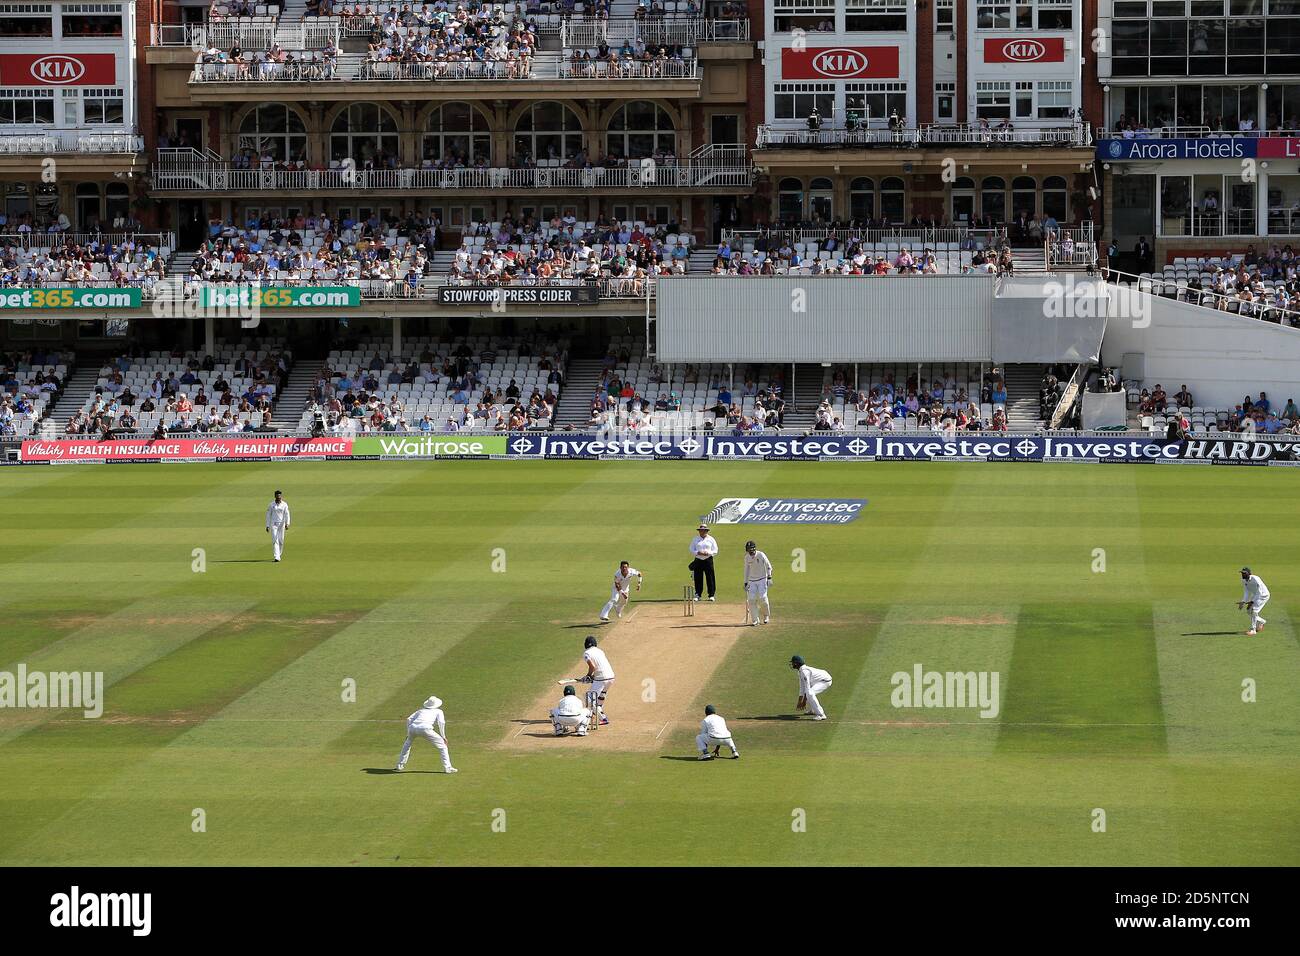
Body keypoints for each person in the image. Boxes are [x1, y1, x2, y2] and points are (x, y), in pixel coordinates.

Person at [394, 695, 457, 773]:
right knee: (443, 746)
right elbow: (441, 723)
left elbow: (409, 719)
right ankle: (447, 768)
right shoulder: (438, 711)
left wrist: (408, 733)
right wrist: (443, 737)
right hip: (425, 729)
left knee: (407, 745)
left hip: (412, 728)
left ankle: (399, 765)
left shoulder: (421, 711)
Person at [582, 635, 615, 726]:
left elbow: (592, 666)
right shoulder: (600, 651)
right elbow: (600, 666)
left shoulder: (587, 653)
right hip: (611, 677)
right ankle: (594, 713)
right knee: (601, 696)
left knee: (589, 698)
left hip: (601, 678)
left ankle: (603, 718)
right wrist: (592, 676)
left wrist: (588, 675)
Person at [791, 654, 832, 720]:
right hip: (817, 680)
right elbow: (802, 687)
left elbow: (807, 688)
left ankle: (821, 715)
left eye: (793, 662)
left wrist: (804, 702)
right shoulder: (800, 672)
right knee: (808, 693)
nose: (792, 664)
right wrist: (799, 701)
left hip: (825, 681)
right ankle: (813, 710)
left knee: (810, 693)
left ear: (797, 663)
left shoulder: (804, 672)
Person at [743, 539, 773, 625]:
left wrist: (769, 577)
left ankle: (766, 615)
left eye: (751, 550)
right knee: (751, 599)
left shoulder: (761, 555)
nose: (750, 552)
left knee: (763, 598)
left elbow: (769, 566)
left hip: (762, 579)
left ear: (754, 549)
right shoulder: (747, 557)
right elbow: (746, 570)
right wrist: (745, 582)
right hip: (752, 581)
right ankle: (755, 620)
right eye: (748, 550)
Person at [689, 522, 719, 602]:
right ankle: (698, 594)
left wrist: (708, 553)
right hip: (698, 559)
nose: (702, 532)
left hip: (708, 559)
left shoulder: (711, 539)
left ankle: (711, 595)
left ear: (706, 531)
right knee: (698, 577)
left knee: (710, 577)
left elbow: (715, 550)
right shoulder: (695, 539)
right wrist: (697, 552)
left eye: (704, 530)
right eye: (701, 530)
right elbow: (691, 549)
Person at [1237, 566, 1270, 636]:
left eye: (1244, 573)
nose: (1242, 575)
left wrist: (1252, 601)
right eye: (1242, 573)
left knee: (1254, 611)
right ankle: (1262, 622)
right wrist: (1243, 601)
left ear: (1249, 573)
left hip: (1263, 595)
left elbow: (1260, 592)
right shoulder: (1243, 580)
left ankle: (1253, 630)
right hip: (1256, 595)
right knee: (1249, 611)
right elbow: (1246, 592)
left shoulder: (1256, 579)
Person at [265, 488, 290, 562]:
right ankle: (277, 556)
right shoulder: (271, 505)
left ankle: (279, 554)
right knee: (275, 540)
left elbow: (287, 514)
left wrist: (287, 523)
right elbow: (268, 515)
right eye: (277, 497)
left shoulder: (284, 504)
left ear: (281, 496)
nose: (279, 498)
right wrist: (267, 525)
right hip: (273, 524)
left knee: (281, 541)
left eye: (280, 497)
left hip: (281, 524)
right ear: (275, 496)